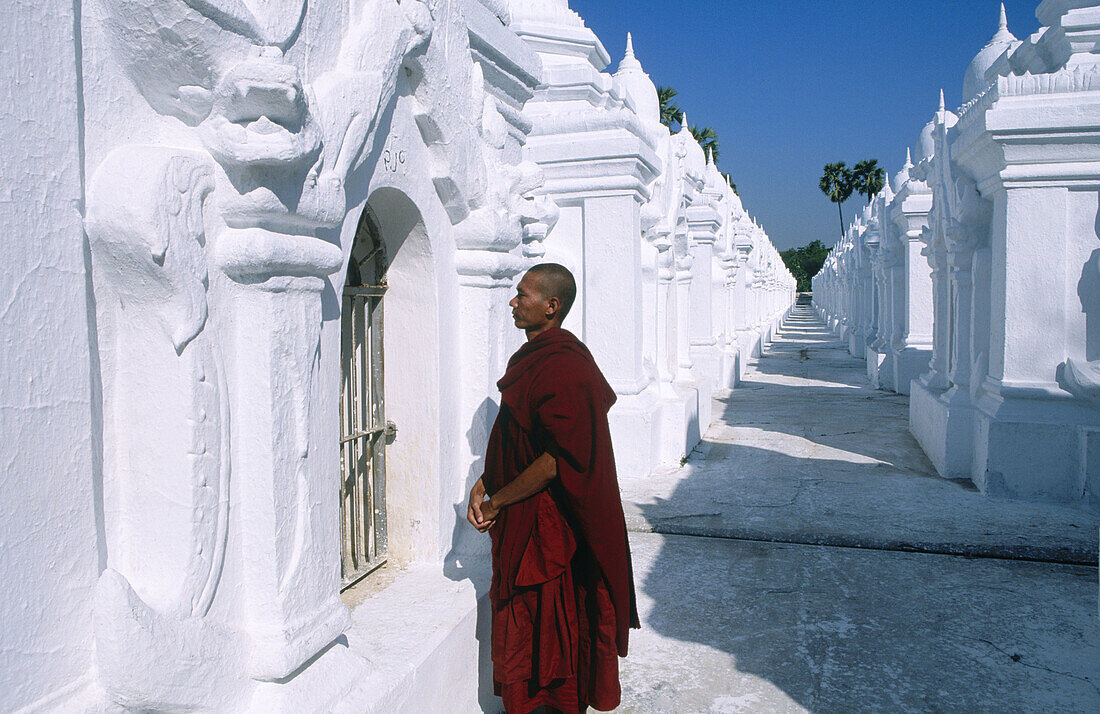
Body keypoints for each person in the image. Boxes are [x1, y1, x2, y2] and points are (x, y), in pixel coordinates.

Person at [467, 263, 639, 714]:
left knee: (548, 620)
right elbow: (518, 437)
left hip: (548, 521)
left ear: (551, 305)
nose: (513, 302)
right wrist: (485, 481)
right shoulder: (532, 357)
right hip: (523, 511)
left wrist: (498, 501)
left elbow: (556, 460)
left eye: (522, 295)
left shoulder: (565, 367)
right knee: (528, 620)